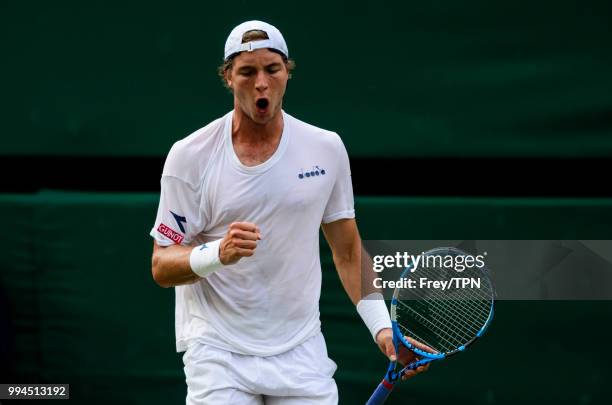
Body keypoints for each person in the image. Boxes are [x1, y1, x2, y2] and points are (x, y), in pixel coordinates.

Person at [149, 20, 427, 404]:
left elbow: (347, 252)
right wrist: (217, 253)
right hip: (218, 351)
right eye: (247, 71)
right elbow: (162, 266)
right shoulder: (190, 156)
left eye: (272, 69)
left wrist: (383, 330)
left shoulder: (326, 148)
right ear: (228, 77)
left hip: (301, 349)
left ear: (286, 73)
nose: (261, 83)